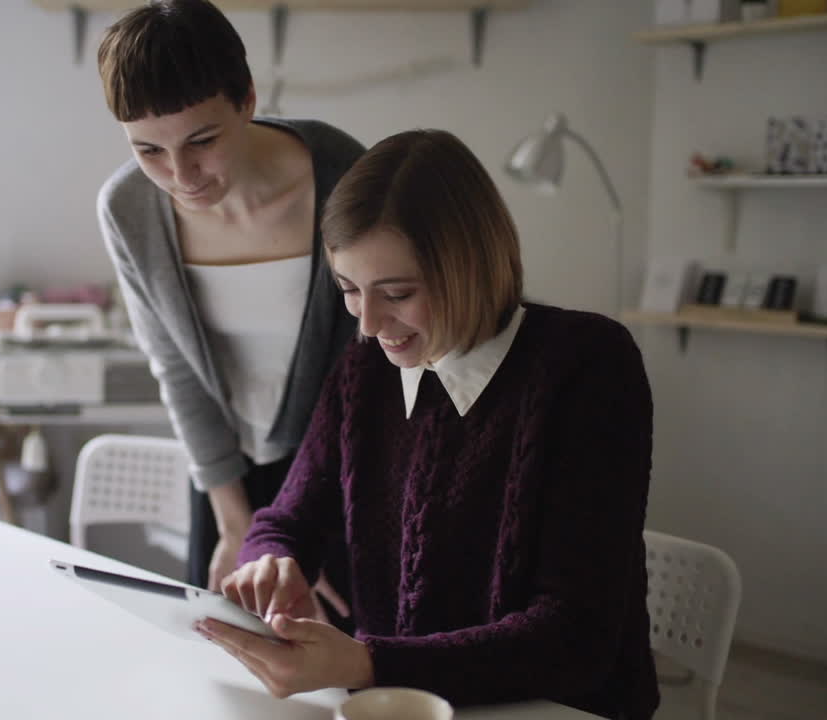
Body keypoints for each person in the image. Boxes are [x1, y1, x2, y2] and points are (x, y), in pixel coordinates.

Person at [198, 129, 659, 720]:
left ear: (469, 264)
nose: (367, 323)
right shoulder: (364, 370)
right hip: (403, 702)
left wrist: (365, 661)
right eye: (348, 291)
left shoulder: (589, 365)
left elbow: (575, 638)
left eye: (397, 292)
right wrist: (271, 559)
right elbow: (287, 518)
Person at [94, 0, 362, 602]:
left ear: (246, 99)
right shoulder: (128, 210)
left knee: (343, 668)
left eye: (203, 140)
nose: (181, 174)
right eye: (148, 151)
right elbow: (177, 370)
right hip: (224, 480)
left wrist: (300, 523)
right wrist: (236, 520)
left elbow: (368, 368)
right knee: (224, 664)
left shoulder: (346, 176)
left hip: (340, 471)